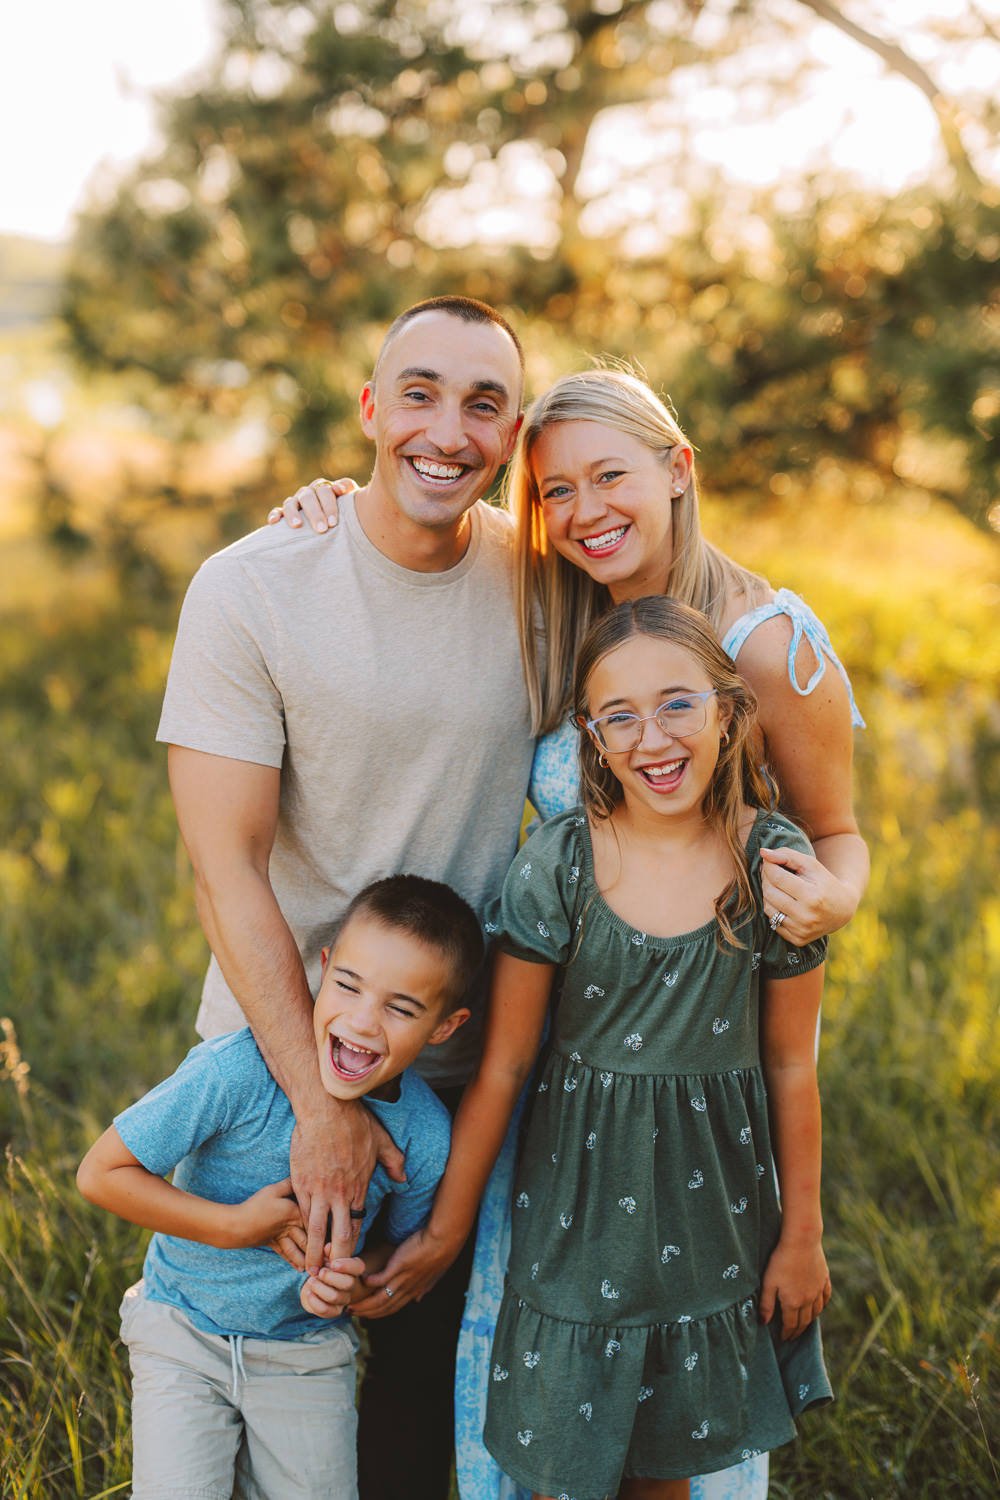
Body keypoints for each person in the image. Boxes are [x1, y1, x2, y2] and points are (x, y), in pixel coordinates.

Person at [274, 366, 865, 1500]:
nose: (584, 510)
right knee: (552, 1378)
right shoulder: (553, 594)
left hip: (700, 1069)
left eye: (610, 477)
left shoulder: (763, 646)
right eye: (554, 491)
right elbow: (427, 517)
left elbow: (834, 836)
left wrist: (834, 896)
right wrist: (337, 504)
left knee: (673, 1406)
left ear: (677, 469)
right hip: (559, 1073)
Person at [157, 295, 535, 1498]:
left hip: (452, 1083)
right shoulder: (251, 586)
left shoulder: (543, 585)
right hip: (271, 1071)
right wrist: (317, 1104)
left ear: (514, 437)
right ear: (370, 408)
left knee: (414, 1414)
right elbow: (225, 865)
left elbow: (685, 603)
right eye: (418, 394)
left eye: (483, 404)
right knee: (241, 1388)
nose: (447, 430)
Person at [395, 597, 834, 1499]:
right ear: (591, 738)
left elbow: (793, 1065)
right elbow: (506, 1065)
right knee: (566, 1464)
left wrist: (803, 1235)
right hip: (576, 1227)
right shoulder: (561, 864)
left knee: (664, 1474)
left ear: (728, 711)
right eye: (619, 717)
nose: (652, 739)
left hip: (712, 1229)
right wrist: (445, 1230)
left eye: (677, 704)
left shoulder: (774, 866)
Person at [76, 875, 479, 1500]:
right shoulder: (234, 1072)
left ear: (445, 1027)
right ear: (323, 967)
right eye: (348, 985)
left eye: (401, 1008)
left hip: (305, 1350)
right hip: (183, 1329)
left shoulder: (422, 1135)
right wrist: (235, 1226)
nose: (363, 1021)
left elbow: (392, 1254)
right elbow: (101, 1174)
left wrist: (348, 1281)